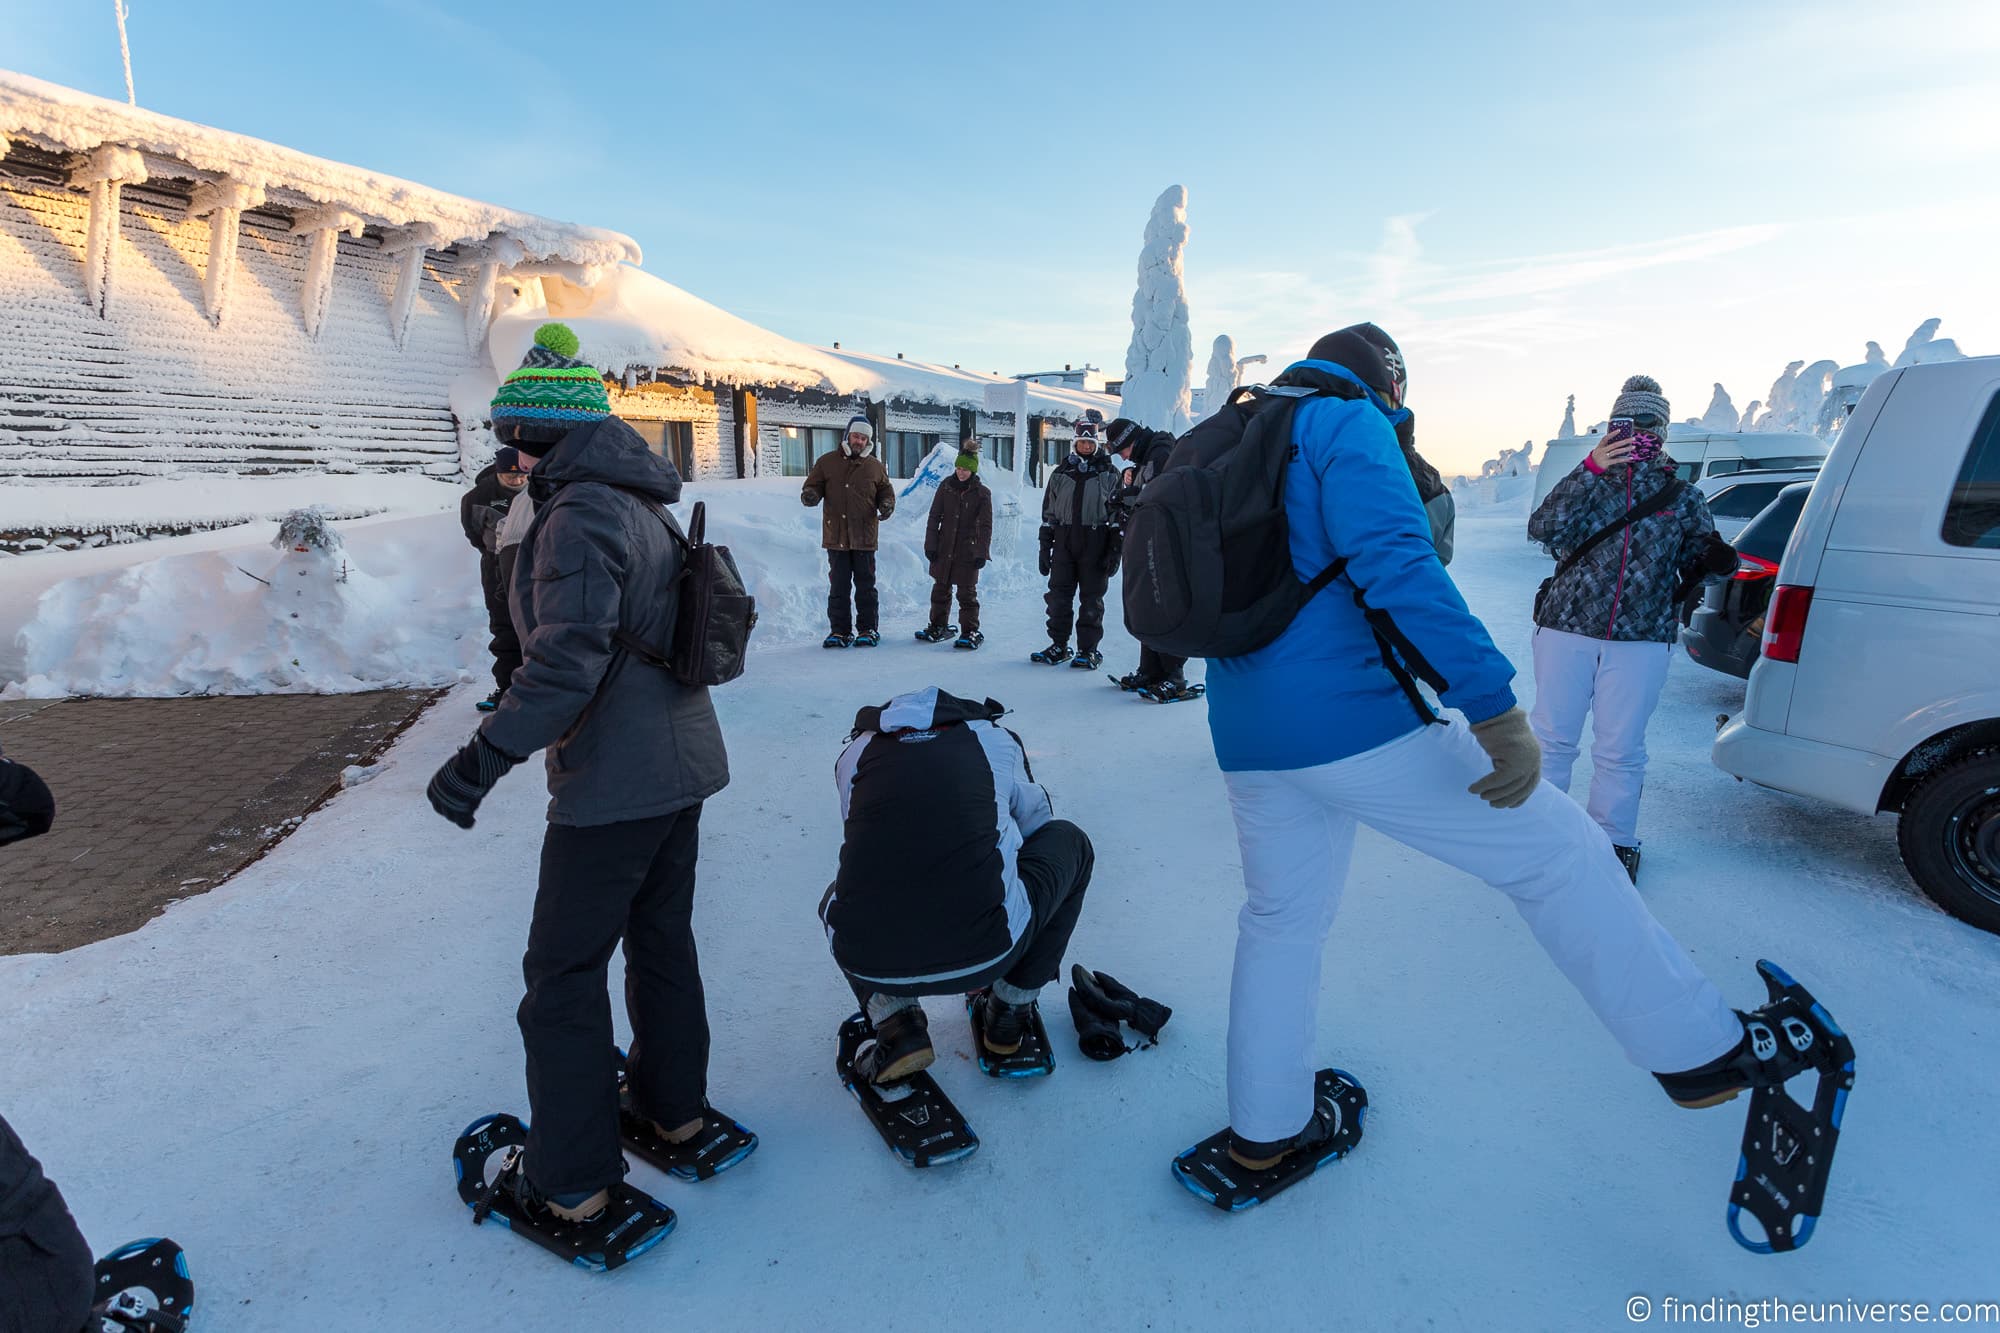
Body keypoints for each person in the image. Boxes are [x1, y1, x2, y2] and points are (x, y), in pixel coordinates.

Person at [1193, 331, 1763, 1174]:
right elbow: (1400, 568)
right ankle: (1702, 1048)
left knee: (1279, 923)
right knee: (1562, 851)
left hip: (1245, 731)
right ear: (1387, 380)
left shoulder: (1241, 432)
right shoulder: (1346, 427)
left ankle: (1264, 1134)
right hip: (1353, 725)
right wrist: (1494, 709)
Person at [425, 321, 751, 1234]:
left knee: (562, 973)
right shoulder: (633, 500)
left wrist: (485, 757)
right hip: (681, 764)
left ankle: (570, 1180)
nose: (509, 459)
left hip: (615, 782)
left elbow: (566, 662)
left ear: (539, 438)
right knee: (660, 941)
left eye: (513, 440)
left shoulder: (576, 516)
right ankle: (669, 1105)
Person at [818, 688, 1096, 1081]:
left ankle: (897, 1026)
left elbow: (862, 835)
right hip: (990, 949)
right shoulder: (994, 739)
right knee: (1071, 843)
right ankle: (1008, 1011)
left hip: (872, 960)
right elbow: (1038, 826)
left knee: (838, 898)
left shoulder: (856, 751)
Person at [1526, 375, 1720, 881]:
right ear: (1612, 426)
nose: (1639, 432)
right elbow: (1542, 529)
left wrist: (1716, 559)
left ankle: (1612, 842)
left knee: (1620, 746)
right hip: (1567, 627)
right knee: (1551, 738)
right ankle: (1540, 837)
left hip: (1641, 637)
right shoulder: (1587, 482)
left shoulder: (1683, 496)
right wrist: (1591, 468)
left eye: (1650, 423)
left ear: (1665, 429)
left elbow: (1702, 558)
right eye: (1628, 423)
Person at [1106, 416, 1198, 700]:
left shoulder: (1161, 453)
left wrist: (1131, 494)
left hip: (1167, 545)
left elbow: (1162, 496)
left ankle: (1173, 674)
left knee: (1164, 604)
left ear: (1130, 442)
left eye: (1121, 450)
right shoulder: (1146, 458)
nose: (1121, 457)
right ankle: (1150, 669)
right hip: (1152, 541)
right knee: (1147, 605)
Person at [1032, 413, 1121, 672]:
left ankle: (1088, 650)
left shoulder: (1108, 473)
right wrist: (1044, 545)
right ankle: (1058, 645)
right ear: (1074, 444)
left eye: (1090, 443)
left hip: (1095, 541)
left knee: (1091, 600)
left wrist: (1115, 548)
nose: (1085, 447)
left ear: (1097, 444)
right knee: (1058, 597)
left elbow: (1117, 515)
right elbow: (1049, 511)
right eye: (1081, 443)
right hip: (1064, 541)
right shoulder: (1061, 473)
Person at [801, 415, 895, 649]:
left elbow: (886, 491)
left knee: (866, 587)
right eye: (856, 436)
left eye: (864, 438)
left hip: (864, 536)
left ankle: (868, 629)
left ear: (868, 441)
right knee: (839, 586)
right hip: (837, 537)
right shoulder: (827, 462)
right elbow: (812, 486)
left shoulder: (875, 466)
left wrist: (886, 505)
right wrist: (811, 495)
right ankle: (839, 631)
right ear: (847, 436)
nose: (859, 441)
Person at [459, 445, 533, 712]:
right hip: (496, 569)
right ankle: (507, 688)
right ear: (498, 472)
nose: (517, 480)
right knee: (504, 628)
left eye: (521, 475)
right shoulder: (478, 497)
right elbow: (474, 534)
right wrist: (497, 557)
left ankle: (539, 687)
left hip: (534, 565)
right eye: (510, 476)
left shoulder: (537, 490)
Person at [917, 445, 992, 650]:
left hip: (968, 550)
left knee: (967, 594)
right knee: (940, 589)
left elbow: (986, 526)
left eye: (965, 469)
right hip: (944, 548)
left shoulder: (982, 494)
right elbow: (934, 518)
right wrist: (931, 545)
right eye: (958, 468)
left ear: (973, 471)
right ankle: (937, 625)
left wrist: (982, 552)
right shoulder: (945, 487)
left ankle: (970, 631)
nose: (960, 472)